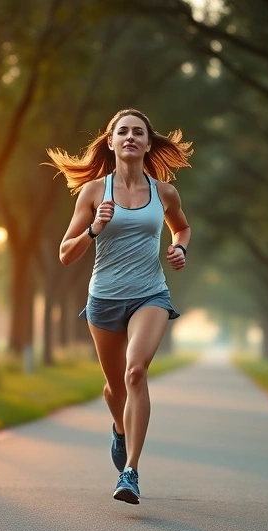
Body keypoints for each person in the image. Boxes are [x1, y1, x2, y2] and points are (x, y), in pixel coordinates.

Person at [48, 109, 192, 505]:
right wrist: (95, 228)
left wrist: (179, 247)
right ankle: (119, 426)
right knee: (115, 388)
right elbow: (64, 254)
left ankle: (131, 472)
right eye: (122, 132)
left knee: (135, 372)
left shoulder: (164, 193)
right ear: (110, 142)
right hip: (105, 299)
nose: (130, 137)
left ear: (148, 143)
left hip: (150, 294)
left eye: (138, 132)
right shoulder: (94, 192)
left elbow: (181, 225)